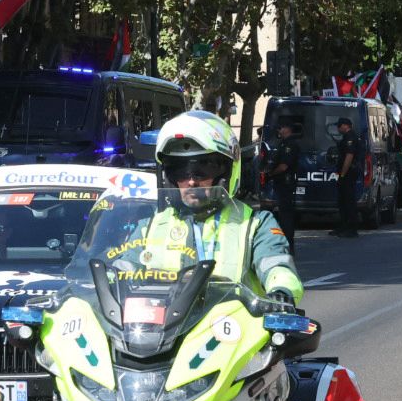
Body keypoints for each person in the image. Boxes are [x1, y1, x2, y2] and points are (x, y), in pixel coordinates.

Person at [140, 111, 303, 303]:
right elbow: (121, 267)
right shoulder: (151, 225)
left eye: (202, 170)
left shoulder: (255, 224)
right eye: (179, 171)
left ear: (225, 173)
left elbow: (276, 264)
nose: (191, 182)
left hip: (232, 320)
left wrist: (282, 292)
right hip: (162, 320)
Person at [267, 118, 300, 248]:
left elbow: (283, 166)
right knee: (283, 213)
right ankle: (285, 241)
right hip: (282, 183)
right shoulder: (283, 143)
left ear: (287, 129)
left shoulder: (289, 145)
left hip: (286, 183)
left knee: (286, 215)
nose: (279, 131)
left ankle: (288, 242)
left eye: (281, 128)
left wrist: (270, 174)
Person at [331, 115, 362, 238]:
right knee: (342, 201)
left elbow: (349, 156)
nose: (338, 129)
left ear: (345, 126)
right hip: (344, 173)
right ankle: (343, 226)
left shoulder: (350, 137)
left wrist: (343, 174)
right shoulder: (346, 137)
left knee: (349, 201)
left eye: (339, 126)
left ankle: (351, 228)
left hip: (348, 174)